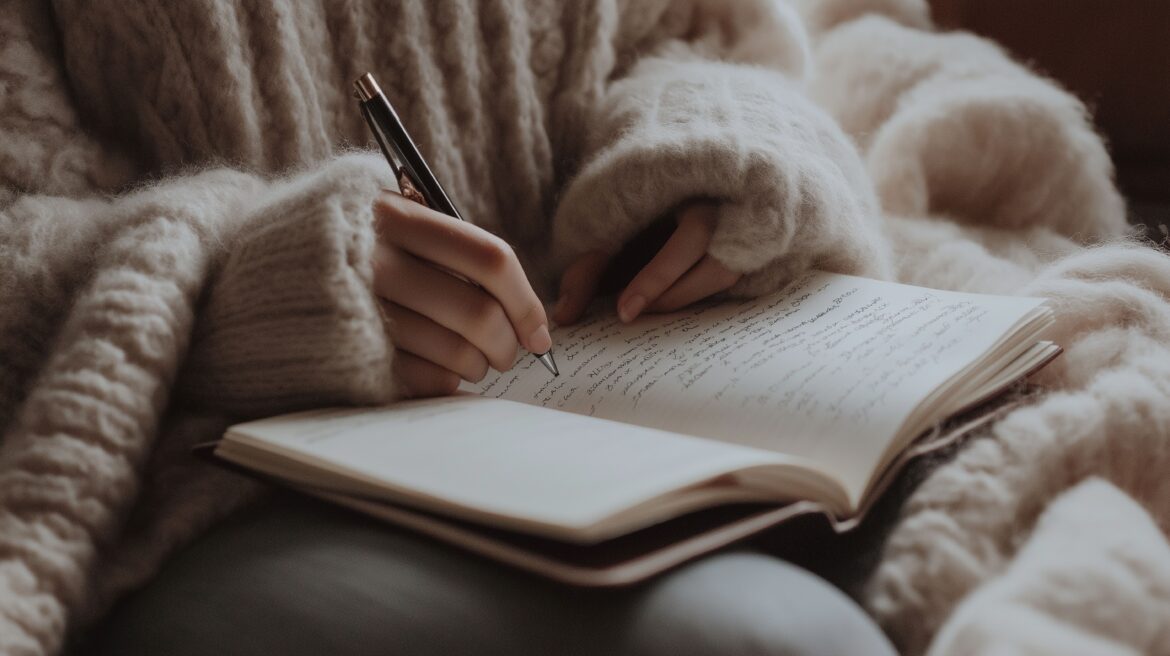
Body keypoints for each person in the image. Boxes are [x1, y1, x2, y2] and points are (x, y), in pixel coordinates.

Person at [3, 0, 1134, 653]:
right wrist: (255, 286)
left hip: (622, 371)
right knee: (768, 640)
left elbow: (700, 33)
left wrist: (711, 144)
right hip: (223, 475)